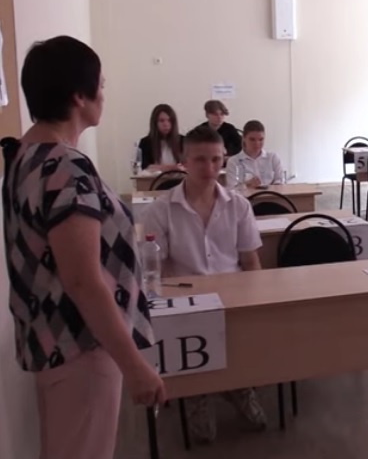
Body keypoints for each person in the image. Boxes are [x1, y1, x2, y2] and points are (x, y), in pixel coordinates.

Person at [1, 36, 164, 459]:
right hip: (80, 347)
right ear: (79, 95)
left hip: (51, 343)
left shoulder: (25, 156)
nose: (103, 95)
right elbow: (82, 279)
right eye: (101, 85)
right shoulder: (64, 166)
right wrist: (134, 365)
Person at [142, 126, 265, 443]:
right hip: (186, 306)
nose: (209, 168)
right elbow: (158, 271)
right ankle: (198, 392)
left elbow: (250, 262)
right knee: (203, 435)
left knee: (243, 350)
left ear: (223, 159)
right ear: (183, 161)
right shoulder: (161, 210)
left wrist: (257, 302)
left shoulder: (238, 206)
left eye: (215, 159)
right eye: (199, 160)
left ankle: (238, 385)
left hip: (233, 299)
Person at [225, 120, 285, 189]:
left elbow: (280, 181)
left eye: (261, 139)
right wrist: (246, 185)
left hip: (271, 195)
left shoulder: (273, 158)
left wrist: (275, 186)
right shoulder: (234, 161)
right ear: (244, 138)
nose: (257, 143)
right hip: (245, 195)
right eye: (252, 139)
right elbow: (231, 188)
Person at [138, 103, 184, 171]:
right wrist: (173, 167)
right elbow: (145, 167)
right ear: (155, 123)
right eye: (162, 121)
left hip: (180, 177)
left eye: (169, 120)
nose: (166, 124)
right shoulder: (145, 142)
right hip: (154, 177)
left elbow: (187, 165)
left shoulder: (183, 140)